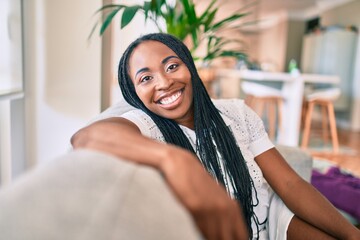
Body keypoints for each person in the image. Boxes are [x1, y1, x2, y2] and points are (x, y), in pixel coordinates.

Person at [71, 33, 360, 240]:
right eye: (146, 78)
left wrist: (351, 234)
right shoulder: (145, 125)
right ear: (135, 94)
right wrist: (174, 160)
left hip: (268, 217)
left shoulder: (236, 113)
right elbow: (86, 138)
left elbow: (288, 183)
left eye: (172, 66)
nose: (164, 82)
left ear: (190, 68)